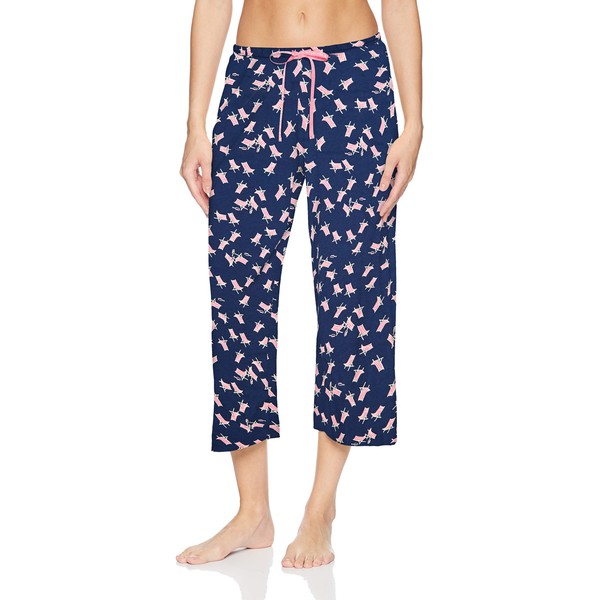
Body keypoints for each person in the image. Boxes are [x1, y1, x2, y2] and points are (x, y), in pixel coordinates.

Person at [177, 0, 423, 569]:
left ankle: (320, 507)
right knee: (238, 292)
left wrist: (414, 122)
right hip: (254, 86)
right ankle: (252, 512)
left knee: (354, 295)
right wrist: (194, 123)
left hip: (354, 81)